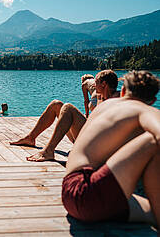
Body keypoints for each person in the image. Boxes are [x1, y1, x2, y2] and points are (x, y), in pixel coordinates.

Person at [62, 70, 160, 228]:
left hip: (70, 195)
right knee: (153, 140)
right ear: (153, 100)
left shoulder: (104, 106)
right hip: (89, 192)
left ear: (122, 91)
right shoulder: (144, 110)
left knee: (152, 212)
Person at [10, 70, 119, 162]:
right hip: (88, 136)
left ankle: (48, 151)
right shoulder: (101, 96)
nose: (94, 85)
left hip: (96, 146)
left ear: (104, 84)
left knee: (68, 108)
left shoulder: (117, 99)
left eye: (97, 82)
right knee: (56, 104)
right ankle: (30, 138)